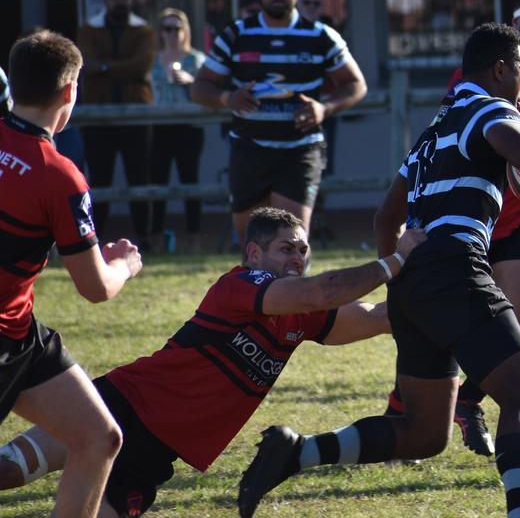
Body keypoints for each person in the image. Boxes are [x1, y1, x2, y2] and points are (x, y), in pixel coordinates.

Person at [238, 23, 520, 518]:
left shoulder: (432, 133)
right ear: (499, 69)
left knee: (423, 433)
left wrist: (400, 275)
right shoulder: (492, 108)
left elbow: (385, 217)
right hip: (455, 269)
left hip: (413, 280)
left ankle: (297, 451)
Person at [0, 208, 423, 516]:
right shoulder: (239, 285)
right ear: (254, 254)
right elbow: (322, 291)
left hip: (155, 454)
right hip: (120, 402)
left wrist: (446, 285)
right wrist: (395, 259)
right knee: (12, 468)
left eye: (304, 251)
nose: (298, 258)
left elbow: (380, 318)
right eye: (286, 249)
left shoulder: (304, 314)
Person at [379, 0, 520, 458]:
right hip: (469, 217)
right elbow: (466, 139)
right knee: (454, 318)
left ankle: (469, 398)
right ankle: (410, 398)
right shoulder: (479, 85)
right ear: (517, 24)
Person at [0, 30, 143, 517]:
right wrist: (124, 262)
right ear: (69, 92)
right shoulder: (59, 176)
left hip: (20, 335)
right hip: (3, 337)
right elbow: (95, 288)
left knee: (99, 437)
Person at [191, 0, 368, 243]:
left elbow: (356, 85)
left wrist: (325, 107)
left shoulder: (320, 36)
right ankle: (259, 289)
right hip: (249, 148)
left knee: (291, 242)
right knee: (253, 244)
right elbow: (199, 88)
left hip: (299, 150)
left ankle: (292, 286)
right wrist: (228, 97)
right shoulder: (236, 35)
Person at [76, 0, 155, 248]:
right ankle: (93, 240)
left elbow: (142, 66)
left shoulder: (144, 31)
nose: (120, 1)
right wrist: (121, 68)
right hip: (100, 117)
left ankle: (144, 237)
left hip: (135, 115)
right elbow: (86, 63)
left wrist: (106, 69)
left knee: (139, 177)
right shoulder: (89, 30)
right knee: (99, 177)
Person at [148, 8, 206, 251]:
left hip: (188, 126)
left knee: (189, 181)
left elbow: (207, 90)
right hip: (160, 126)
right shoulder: (153, 59)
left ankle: (194, 237)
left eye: (177, 29)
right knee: (158, 183)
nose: (172, 34)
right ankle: (156, 238)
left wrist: (190, 81)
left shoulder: (196, 59)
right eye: (167, 29)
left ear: (186, 31)